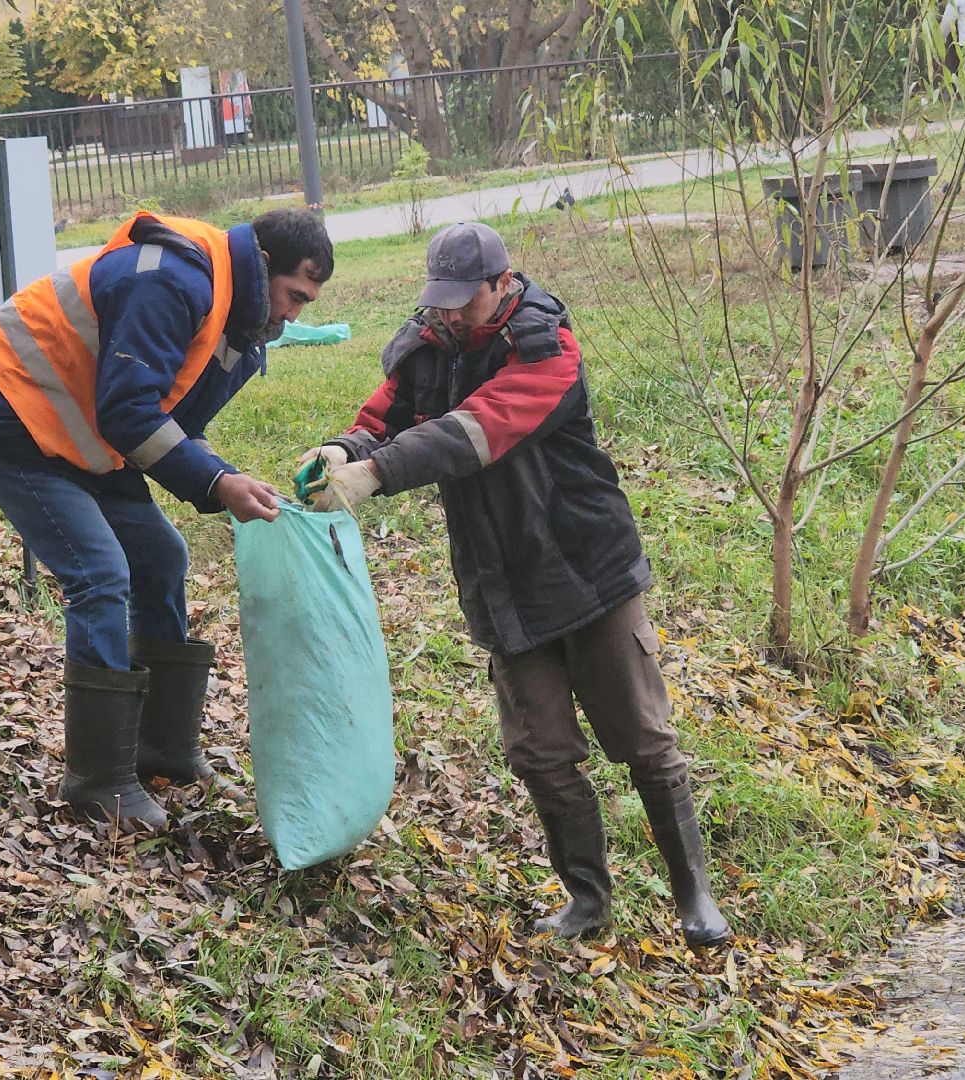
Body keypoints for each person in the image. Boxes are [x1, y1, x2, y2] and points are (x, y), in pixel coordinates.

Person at [298, 222, 732, 947]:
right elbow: (386, 418)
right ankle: (588, 903)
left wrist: (375, 474)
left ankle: (695, 898)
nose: (449, 315)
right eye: (440, 301)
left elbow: (480, 429)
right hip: (501, 579)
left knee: (643, 740)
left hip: (587, 568)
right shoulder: (428, 345)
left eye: (464, 302)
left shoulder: (548, 346)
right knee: (539, 754)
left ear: (503, 284)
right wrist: (343, 449)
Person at [0, 208, 333, 830]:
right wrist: (219, 483)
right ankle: (99, 778)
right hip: (1, 412)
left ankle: (162, 749)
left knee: (161, 557)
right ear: (266, 266)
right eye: (294, 296)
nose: (294, 315)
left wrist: (222, 473)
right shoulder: (173, 280)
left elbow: (172, 421)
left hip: (77, 428)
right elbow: (128, 414)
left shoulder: (235, 317)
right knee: (99, 572)